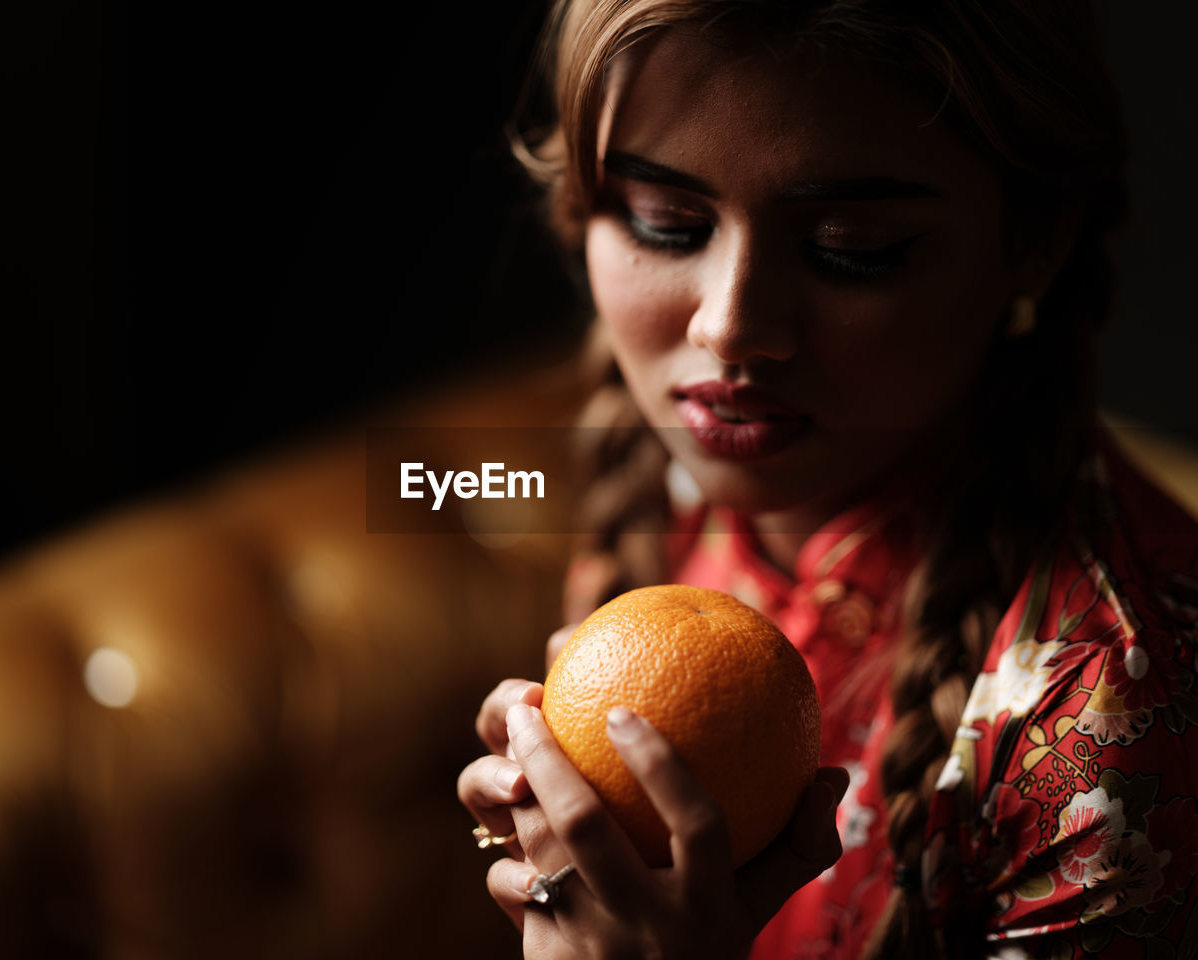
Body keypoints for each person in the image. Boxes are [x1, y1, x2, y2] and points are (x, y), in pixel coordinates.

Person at [457, 1, 1198, 957]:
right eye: (667, 224)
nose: (728, 329)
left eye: (852, 247)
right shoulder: (681, 458)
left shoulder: (1112, 714)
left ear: (1035, 240)